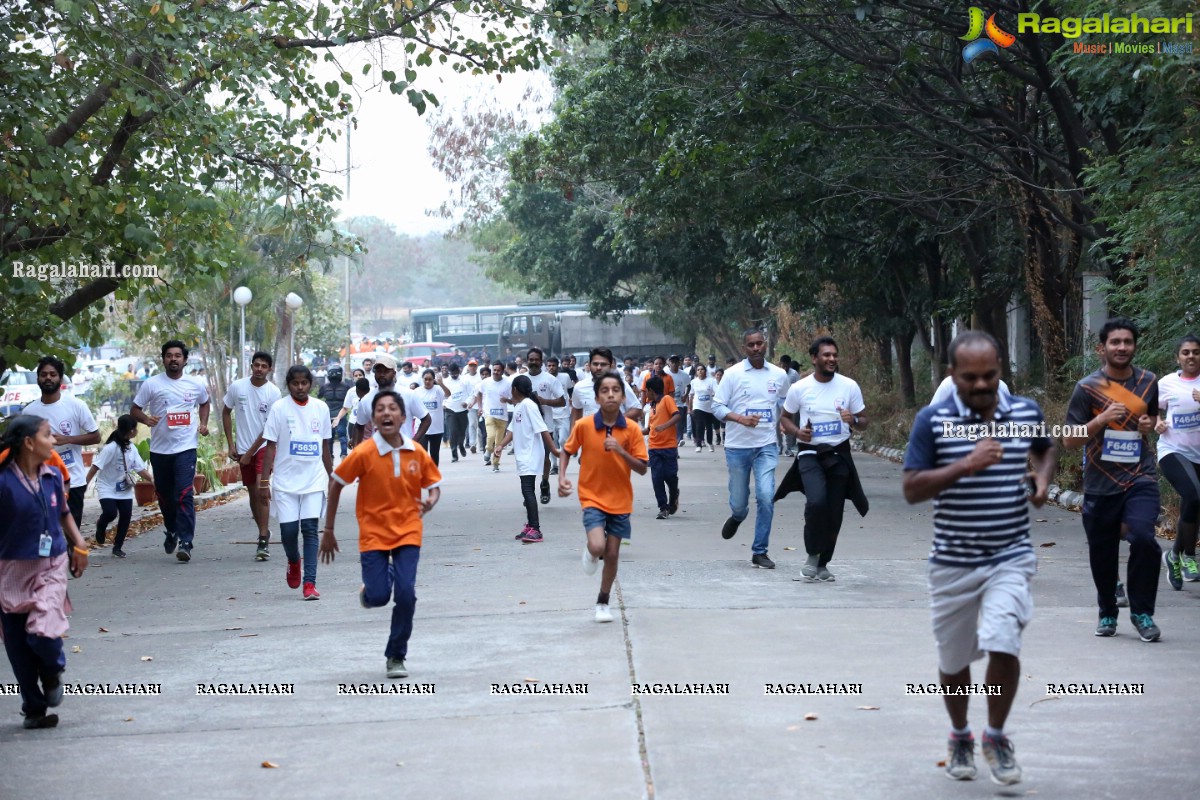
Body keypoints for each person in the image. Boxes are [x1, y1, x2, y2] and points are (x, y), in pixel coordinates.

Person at [902, 331, 1057, 786]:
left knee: (1004, 639)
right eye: (971, 377)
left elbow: (1045, 448)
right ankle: (959, 735)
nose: (983, 385)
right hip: (952, 561)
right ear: (952, 375)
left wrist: (1043, 481)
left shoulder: (1024, 411)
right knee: (953, 663)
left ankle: (994, 736)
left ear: (1000, 371)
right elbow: (912, 488)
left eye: (990, 375)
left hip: (1010, 555)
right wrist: (966, 465)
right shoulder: (932, 420)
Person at [321, 391, 441, 679]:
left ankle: (396, 655)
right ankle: (374, 587)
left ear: (403, 417)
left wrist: (430, 501)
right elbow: (336, 484)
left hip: (408, 531)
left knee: (406, 595)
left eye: (392, 409)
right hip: (373, 533)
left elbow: (434, 485)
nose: (386, 413)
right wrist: (328, 530)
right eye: (380, 409)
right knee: (377, 597)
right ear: (373, 419)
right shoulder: (364, 453)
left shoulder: (416, 451)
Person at [1063, 317, 1163, 642]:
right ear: (1101, 348)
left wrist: (1150, 424)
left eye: (1127, 342)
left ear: (1135, 346)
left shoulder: (1149, 381)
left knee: (1145, 539)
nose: (1122, 347)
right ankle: (1107, 609)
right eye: (1115, 342)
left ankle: (1142, 611)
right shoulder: (1087, 388)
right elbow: (1069, 438)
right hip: (1100, 481)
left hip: (1140, 476)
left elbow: (1150, 418)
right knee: (1102, 552)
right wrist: (1101, 420)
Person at [0, 415, 90, 729]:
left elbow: (63, 513)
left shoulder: (52, 476)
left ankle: (52, 670)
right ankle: (33, 709)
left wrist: (79, 544)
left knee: (44, 632)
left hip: (51, 565)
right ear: (28, 443)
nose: (53, 442)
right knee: (17, 646)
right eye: (48, 435)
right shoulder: (2, 482)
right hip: (9, 571)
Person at [559, 373, 648, 623]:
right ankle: (590, 551)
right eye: (605, 390)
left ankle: (603, 601)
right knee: (598, 547)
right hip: (592, 496)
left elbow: (642, 467)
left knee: (612, 554)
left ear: (622, 397)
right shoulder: (584, 426)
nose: (610, 394)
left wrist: (620, 450)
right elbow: (567, 451)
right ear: (597, 398)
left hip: (620, 500)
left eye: (616, 390)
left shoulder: (631, 430)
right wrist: (562, 477)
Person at [779, 336, 869, 582]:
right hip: (809, 453)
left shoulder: (849, 386)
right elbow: (785, 417)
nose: (832, 359)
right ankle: (811, 554)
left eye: (834, 355)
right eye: (826, 355)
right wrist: (797, 432)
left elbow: (864, 421)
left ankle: (823, 564)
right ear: (814, 358)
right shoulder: (800, 388)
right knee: (816, 502)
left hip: (839, 454)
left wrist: (854, 421)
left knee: (834, 511)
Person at [712, 329, 788, 569]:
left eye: (759, 344)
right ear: (744, 348)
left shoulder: (778, 374)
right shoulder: (733, 375)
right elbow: (717, 406)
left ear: (765, 345)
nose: (756, 348)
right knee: (739, 502)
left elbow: (787, 402)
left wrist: (787, 422)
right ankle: (737, 517)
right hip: (737, 447)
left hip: (766, 446)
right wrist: (739, 419)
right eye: (751, 345)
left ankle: (759, 551)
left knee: (766, 496)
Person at [130, 340, 211, 562]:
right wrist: (146, 419)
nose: (173, 359)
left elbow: (205, 403)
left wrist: (203, 423)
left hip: (186, 447)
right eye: (168, 355)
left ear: (184, 360)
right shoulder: (151, 384)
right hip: (160, 449)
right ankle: (172, 529)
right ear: (163, 359)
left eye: (177, 355)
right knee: (165, 495)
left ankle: (186, 541)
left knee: (184, 493)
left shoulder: (195, 384)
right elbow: (135, 409)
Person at [260, 366, 332, 601]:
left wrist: (331, 479)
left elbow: (325, 447)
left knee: (310, 530)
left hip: (313, 478)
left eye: (304, 383)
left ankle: (310, 583)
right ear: (288, 385)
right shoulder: (279, 408)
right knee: (289, 532)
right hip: (285, 481)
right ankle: (293, 560)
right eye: (295, 384)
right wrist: (264, 482)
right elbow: (270, 445)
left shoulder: (320, 408)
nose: (300, 388)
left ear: (311, 383)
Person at [23, 356, 100, 530]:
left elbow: (96, 436)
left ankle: (71, 556)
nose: (48, 378)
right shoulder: (29, 412)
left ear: (60, 378)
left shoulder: (76, 405)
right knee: (45, 532)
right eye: (44, 374)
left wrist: (68, 439)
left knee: (71, 533)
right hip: (41, 481)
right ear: (38, 379)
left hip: (73, 481)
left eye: (52, 374)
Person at [222, 351, 281, 561]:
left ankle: (263, 539)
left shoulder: (273, 393)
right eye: (256, 365)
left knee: (262, 488)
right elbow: (225, 412)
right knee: (253, 492)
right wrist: (231, 445)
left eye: (264, 366)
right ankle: (263, 530)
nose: (259, 369)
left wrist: (250, 453)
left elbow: (269, 428)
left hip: (264, 447)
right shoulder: (238, 387)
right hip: (243, 447)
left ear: (269, 369)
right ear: (251, 366)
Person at [494, 375, 561, 544]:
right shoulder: (519, 406)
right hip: (523, 454)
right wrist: (500, 446)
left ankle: (536, 529)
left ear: (515, 390)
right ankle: (530, 525)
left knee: (527, 490)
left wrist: (553, 450)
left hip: (530, 454)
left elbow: (542, 429)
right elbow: (512, 430)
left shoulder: (529, 406)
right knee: (527, 490)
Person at [1157, 334, 1200, 588]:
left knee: (1193, 505)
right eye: (1186, 352)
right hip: (1173, 450)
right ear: (1178, 357)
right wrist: (1155, 422)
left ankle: (1173, 556)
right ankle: (1190, 558)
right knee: (1194, 496)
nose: (1191, 356)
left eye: (1196, 352)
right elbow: (1147, 407)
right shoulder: (1167, 383)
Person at [84, 415, 151, 558]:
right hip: (106, 486)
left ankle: (118, 546)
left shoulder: (131, 448)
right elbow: (95, 467)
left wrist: (152, 479)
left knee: (126, 515)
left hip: (123, 487)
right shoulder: (111, 448)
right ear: (131, 430)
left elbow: (140, 468)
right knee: (110, 513)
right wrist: (85, 485)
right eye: (135, 428)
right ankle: (101, 526)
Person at [351, 355, 430, 449]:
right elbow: (359, 426)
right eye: (379, 371)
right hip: (378, 455)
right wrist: (357, 452)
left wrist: (414, 441)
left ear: (394, 373)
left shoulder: (409, 395)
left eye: (386, 371)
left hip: (404, 453)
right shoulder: (366, 400)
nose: (382, 374)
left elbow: (426, 419)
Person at [524, 348, 566, 504]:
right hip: (526, 429)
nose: (533, 362)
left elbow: (562, 401)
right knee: (528, 460)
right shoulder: (521, 379)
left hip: (545, 427)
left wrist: (544, 401)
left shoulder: (549, 379)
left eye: (536, 360)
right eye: (531, 359)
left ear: (541, 361)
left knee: (544, 458)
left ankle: (545, 483)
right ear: (527, 361)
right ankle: (529, 492)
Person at [571, 347, 644, 427]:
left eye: (603, 364)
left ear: (611, 366)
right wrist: (572, 437)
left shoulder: (620, 385)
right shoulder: (579, 387)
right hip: (590, 437)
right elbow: (576, 412)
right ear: (589, 365)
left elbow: (636, 409)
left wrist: (614, 422)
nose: (598, 368)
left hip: (616, 436)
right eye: (595, 364)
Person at [644, 375, 682, 520]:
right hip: (654, 448)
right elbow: (650, 429)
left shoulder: (667, 399)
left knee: (670, 476)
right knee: (657, 478)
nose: (646, 394)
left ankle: (674, 495)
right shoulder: (652, 406)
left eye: (647, 391)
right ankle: (663, 507)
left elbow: (677, 416)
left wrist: (665, 426)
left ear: (652, 390)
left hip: (669, 446)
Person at [475, 362, 512, 472]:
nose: (495, 372)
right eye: (494, 370)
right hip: (489, 414)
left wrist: (507, 400)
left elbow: (513, 398)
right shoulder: (485, 382)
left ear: (502, 370)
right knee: (490, 436)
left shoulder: (508, 383)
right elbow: (479, 394)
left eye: (498, 370)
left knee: (499, 443)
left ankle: (496, 464)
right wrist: (480, 407)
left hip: (502, 417)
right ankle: (488, 450)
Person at [317, 365, 351, 459]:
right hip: (340, 413)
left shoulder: (324, 386)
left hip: (331, 413)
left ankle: (330, 456)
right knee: (342, 436)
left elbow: (319, 396)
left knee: (330, 436)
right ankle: (343, 454)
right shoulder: (346, 387)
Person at [440, 364, 471, 463]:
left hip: (462, 410)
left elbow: (471, 394)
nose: (454, 375)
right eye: (451, 374)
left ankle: (461, 445)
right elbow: (443, 396)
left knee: (462, 432)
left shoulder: (465, 381)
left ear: (459, 371)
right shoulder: (446, 382)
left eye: (455, 373)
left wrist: (467, 402)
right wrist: (444, 404)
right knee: (452, 432)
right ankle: (454, 454)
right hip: (450, 410)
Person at [417, 369, 447, 467]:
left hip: (436, 429)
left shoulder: (438, 389)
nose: (427, 382)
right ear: (422, 379)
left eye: (430, 379)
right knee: (423, 454)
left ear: (433, 380)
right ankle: (424, 476)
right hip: (422, 429)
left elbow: (448, 394)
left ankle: (434, 476)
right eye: (425, 379)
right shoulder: (417, 392)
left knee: (434, 454)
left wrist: (441, 384)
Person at [689, 364, 717, 452]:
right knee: (699, 424)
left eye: (702, 369)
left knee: (708, 426)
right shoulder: (694, 382)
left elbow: (716, 393)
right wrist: (690, 408)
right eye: (698, 370)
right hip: (698, 406)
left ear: (705, 371)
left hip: (709, 407)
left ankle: (709, 443)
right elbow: (691, 395)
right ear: (696, 372)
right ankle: (699, 444)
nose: (700, 371)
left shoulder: (711, 381)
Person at [665, 354, 691, 447]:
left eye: (676, 362)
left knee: (678, 423)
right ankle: (671, 441)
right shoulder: (665, 373)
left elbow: (689, 385)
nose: (674, 364)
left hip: (679, 403)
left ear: (679, 363)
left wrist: (685, 395)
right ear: (669, 363)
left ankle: (678, 439)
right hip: (667, 402)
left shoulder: (684, 375)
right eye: (672, 362)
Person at [462, 360, 483, 454]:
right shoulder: (464, 378)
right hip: (470, 404)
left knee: (481, 426)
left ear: (477, 367)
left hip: (480, 404)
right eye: (471, 365)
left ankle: (482, 445)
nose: (472, 367)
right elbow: (463, 392)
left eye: (474, 365)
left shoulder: (480, 377)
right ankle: (472, 444)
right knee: (471, 424)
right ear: (468, 367)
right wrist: (466, 402)